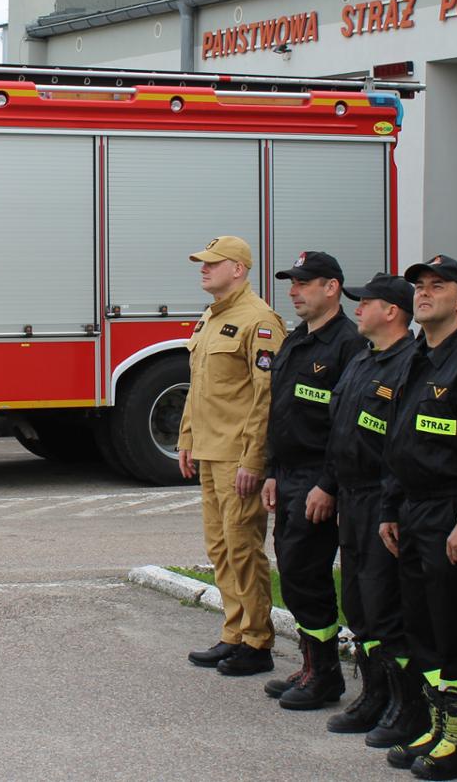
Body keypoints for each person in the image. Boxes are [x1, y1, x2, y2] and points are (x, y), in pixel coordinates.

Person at [379, 255, 457, 780]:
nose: (424, 294)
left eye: (437, 286)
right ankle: (437, 723)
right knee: (423, 626)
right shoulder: (416, 358)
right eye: (419, 286)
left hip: (451, 510)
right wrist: (390, 506)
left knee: (456, 628)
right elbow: (398, 439)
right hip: (413, 508)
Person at [324, 274, 429, 748]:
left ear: (392, 312)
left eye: (365, 303)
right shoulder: (363, 359)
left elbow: (400, 444)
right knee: (359, 604)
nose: (357, 310)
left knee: (387, 606)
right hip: (352, 498)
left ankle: (408, 706)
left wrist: (390, 503)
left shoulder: (409, 364)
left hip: (382, 498)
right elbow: (341, 430)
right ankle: (374, 693)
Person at [179, 235, 288, 677]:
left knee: (243, 547)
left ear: (238, 269)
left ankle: (257, 641)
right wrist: (186, 438)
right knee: (221, 548)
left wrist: (253, 460)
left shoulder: (259, 321)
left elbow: (266, 398)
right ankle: (234, 633)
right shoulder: (211, 316)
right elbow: (200, 386)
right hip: (209, 450)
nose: (203, 269)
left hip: (237, 456)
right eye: (202, 263)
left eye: (213, 263)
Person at [261, 251, 358, 710]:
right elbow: (279, 411)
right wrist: (271, 471)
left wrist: (328, 484)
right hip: (288, 474)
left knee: (309, 574)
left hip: (319, 478)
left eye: (303, 283)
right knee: (294, 571)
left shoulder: (347, 344)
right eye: (292, 283)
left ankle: (325, 676)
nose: (294, 291)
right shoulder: (297, 339)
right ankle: (311, 664)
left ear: (331, 287)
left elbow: (346, 426)